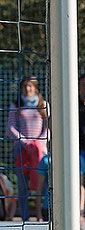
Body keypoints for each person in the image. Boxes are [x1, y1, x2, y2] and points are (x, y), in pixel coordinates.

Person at [5, 76, 49, 220]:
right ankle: (24, 217)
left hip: (39, 151)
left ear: (35, 87)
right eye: (24, 86)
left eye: (30, 86)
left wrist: (39, 141)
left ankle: (40, 215)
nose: (27, 89)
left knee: (41, 184)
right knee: (23, 186)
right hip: (21, 150)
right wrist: (24, 141)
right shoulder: (16, 104)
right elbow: (10, 127)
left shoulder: (43, 104)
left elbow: (49, 127)